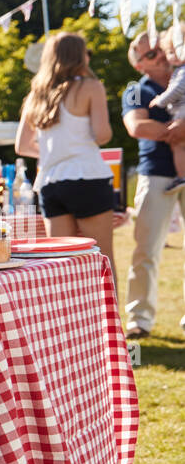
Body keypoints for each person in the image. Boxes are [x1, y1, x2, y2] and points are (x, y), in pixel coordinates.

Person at [14, 32, 116, 286]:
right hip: (87, 176)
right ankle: (109, 324)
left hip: (50, 182)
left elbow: (22, 145)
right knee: (102, 259)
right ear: (80, 55)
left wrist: (53, 152)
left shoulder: (36, 94)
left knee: (60, 266)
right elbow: (103, 135)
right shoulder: (91, 86)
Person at [122, 30, 185, 338]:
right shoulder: (136, 90)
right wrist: (176, 131)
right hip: (157, 174)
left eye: (159, 49)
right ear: (139, 66)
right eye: (150, 55)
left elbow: (149, 125)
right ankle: (139, 319)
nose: (159, 56)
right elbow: (136, 125)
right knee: (147, 250)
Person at [148, 24, 185, 192]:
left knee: (178, 144)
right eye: (169, 52)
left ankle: (182, 176)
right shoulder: (136, 88)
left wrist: (160, 101)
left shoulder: (182, 72)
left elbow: (176, 90)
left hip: (182, 112)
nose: (171, 56)